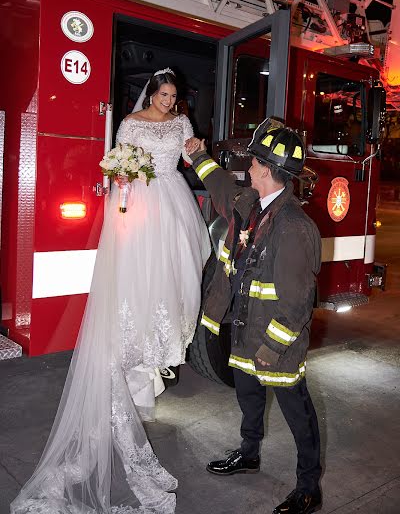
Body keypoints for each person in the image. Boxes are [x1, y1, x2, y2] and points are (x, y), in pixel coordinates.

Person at [11, 68, 211, 514]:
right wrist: (123, 180)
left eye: (174, 95)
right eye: (163, 94)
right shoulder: (129, 122)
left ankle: (155, 349)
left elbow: (190, 153)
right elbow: (120, 160)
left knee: (176, 272)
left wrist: (196, 150)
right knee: (137, 273)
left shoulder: (180, 123)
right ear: (151, 93)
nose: (168, 101)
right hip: (141, 201)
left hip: (174, 201)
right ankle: (136, 345)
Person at [185, 119, 322, 514]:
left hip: (274, 345)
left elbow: (296, 304)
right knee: (248, 399)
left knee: (298, 413)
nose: (249, 164)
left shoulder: (294, 227)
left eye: (255, 159)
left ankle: (309, 488)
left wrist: (272, 348)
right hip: (246, 334)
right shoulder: (250, 202)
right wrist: (197, 155)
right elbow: (221, 187)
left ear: (264, 168)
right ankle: (249, 453)